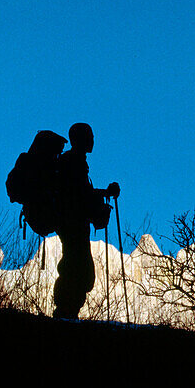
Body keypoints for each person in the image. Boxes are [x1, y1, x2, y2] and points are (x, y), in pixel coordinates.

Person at [51, 123, 120, 320]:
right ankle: (65, 312)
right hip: (72, 224)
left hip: (71, 224)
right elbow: (78, 196)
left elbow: (81, 194)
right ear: (80, 139)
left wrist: (103, 194)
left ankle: (67, 311)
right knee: (77, 268)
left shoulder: (74, 162)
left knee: (76, 266)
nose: (92, 141)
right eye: (89, 137)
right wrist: (102, 198)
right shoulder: (73, 162)